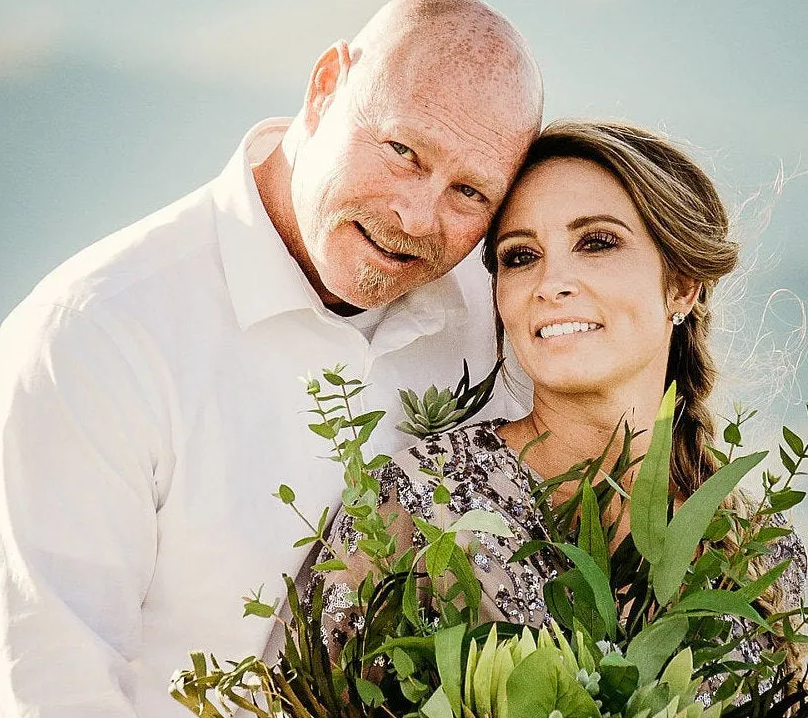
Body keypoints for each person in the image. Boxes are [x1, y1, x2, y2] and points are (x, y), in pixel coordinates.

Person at [0, 0, 544, 718]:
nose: (416, 216)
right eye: (401, 151)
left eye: (469, 192)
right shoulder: (88, 342)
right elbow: (53, 695)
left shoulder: (503, 315)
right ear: (325, 87)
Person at [319, 119, 806, 684]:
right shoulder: (425, 500)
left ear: (681, 285)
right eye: (520, 256)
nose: (551, 282)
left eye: (596, 242)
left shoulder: (761, 551)